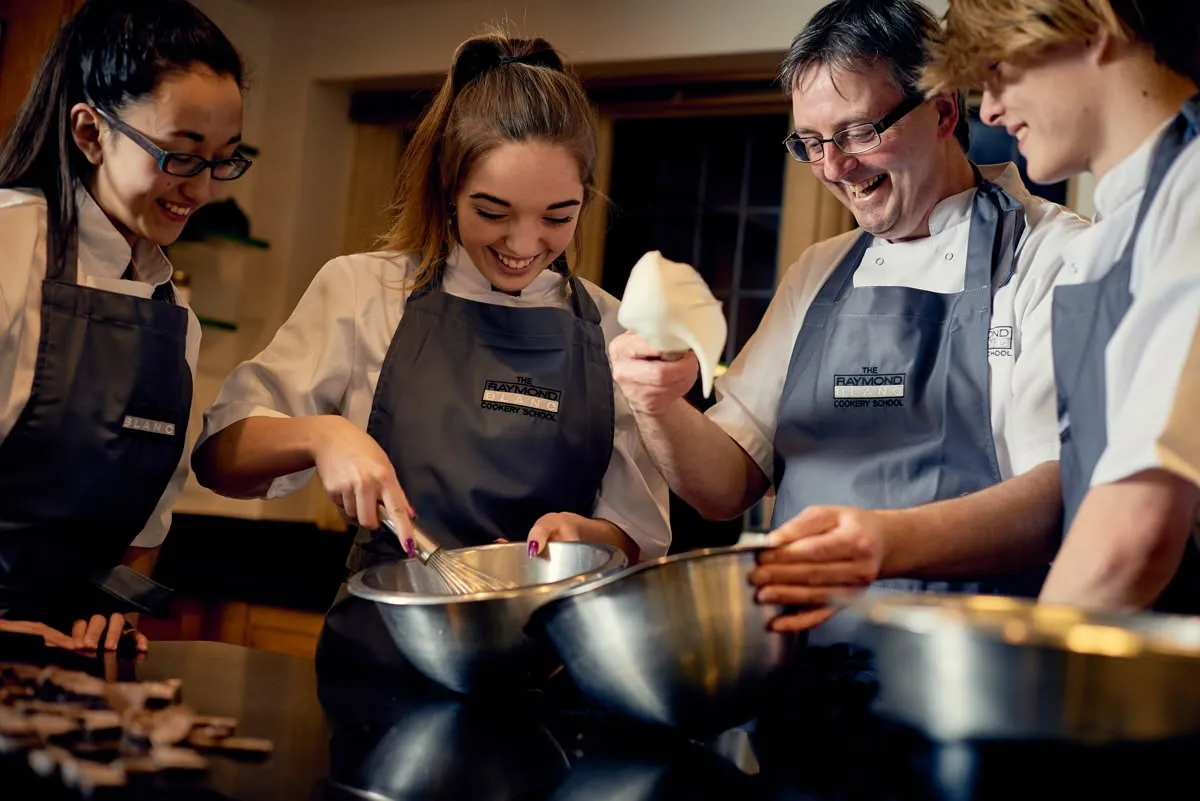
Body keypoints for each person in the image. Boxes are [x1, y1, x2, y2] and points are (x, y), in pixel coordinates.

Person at [608, 0, 1090, 635]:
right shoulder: (818, 272)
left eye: (859, 132)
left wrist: (880, 543)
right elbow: (725, 485)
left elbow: (1059, 496)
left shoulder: (1056, 257)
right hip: (799, 670)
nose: (834, 168)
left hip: (965, 668)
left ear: (943, 110)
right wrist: (658, 405)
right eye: (811, 142)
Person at [191, 33, 671, 668]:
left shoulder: (611, 329)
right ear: (448, 186)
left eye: (558, 216)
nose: (523, 244)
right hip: (385, 654)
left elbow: (637, 537)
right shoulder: (365, 292)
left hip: (549, 666)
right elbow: (220, 459)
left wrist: (584, 539)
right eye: (492, 212)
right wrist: (322, 436)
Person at [922, 0, 1200, 613]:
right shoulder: (1114, 230)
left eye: (998, 68)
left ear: (1094, 28)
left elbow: (1135, 531)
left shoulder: (1192, 198)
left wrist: (1032, 687)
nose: (989, 109)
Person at [0, 0, 249, 650]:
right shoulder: (6, 244)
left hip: (64, 670)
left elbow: (146, 529)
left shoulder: (171, 313)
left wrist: (112, 611)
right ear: (90, 132)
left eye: (224, 158)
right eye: (180, 154)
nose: (202, 189)